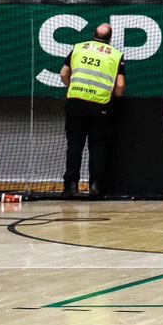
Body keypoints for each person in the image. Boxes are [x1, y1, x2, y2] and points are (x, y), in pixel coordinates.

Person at [58, 23, 123, 198]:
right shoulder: (116, 55)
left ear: (93, 34)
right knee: (97, 146)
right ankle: (95, 185)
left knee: (74, 145)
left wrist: (74, 87)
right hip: (100, 106)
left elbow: (64, 73)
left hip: (76, 103)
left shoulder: (78, 48)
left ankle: (71, 186)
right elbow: (120, 86)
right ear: (110, 38)